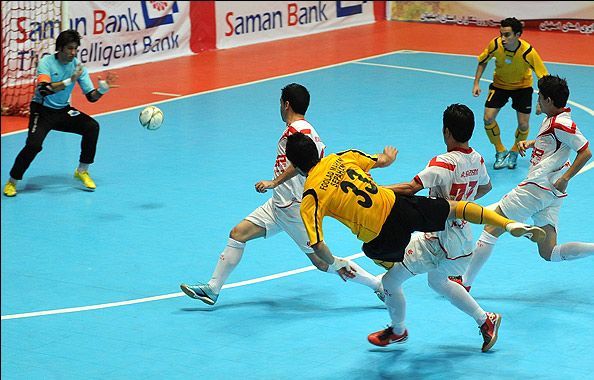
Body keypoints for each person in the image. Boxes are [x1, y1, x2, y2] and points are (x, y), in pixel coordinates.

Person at [285, 130, 545, 347]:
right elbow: (381, 161)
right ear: (318, 151)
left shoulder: (311, 195)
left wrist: (337, 264)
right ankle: (507, 225)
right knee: (452, 209)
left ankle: (398, 330)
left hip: (381, 235)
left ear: (296, 167)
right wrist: (386, 158)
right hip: (399, 206)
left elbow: (318, 244)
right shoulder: (340, 157)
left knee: (387, 276)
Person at [180, 83, 384, 306]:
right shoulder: (302, 129)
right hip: (278, 204)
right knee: (237, 234)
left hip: (295, 208)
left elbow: (303, 163)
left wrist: (273, 182)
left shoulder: (299, 132)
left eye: (280, 103)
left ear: (286, 104)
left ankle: (378, 286)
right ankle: (212, 289)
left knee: (324, 261)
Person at [366, 104, 501, 352]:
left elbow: (410, 189)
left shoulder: (443, 163)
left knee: (390, 282)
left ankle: (398, 331)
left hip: (435, 239)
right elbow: (486, 187)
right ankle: (485, 320)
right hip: (461, 242)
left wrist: (375, 191)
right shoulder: (478, 159)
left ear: (446, 131)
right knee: (438, 283)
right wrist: (461, 204)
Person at [460, 75, 593, 291]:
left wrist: (566, 177)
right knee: (549, 252)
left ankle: (464, 283)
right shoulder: (554, 119)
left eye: (540, 96)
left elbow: (585, 151)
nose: (538, 100)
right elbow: (556, 144)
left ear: (549, 100)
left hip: (536, 188)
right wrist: (533, 143)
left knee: (491, 228)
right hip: (550, 195)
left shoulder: (563, 124)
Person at [3, 29, 118, 197]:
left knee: (92, 127)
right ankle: (12, 181)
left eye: (76, 49)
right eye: (70, 48)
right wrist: (69, 80)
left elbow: (91, 97)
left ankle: (82, 171)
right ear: (60, 48)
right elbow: (44, 90)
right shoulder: (46, 62)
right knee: (34, 145)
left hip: (63, 111)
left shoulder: (78, 67)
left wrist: (101, 90)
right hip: (42, 111)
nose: (73, 53)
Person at [472, 17, 548, 170]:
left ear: (518, 34)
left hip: (522, 87)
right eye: (501, 34)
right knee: (488, 118)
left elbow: (543, 76)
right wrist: (476, 83)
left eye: (507, 35)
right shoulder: (495, 45)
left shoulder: (528, 52)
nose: (503, 38)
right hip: (500, 85)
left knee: (523, 124)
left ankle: (514, 151)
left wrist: (540, 102)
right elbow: (483, 60)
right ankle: (500, 150)